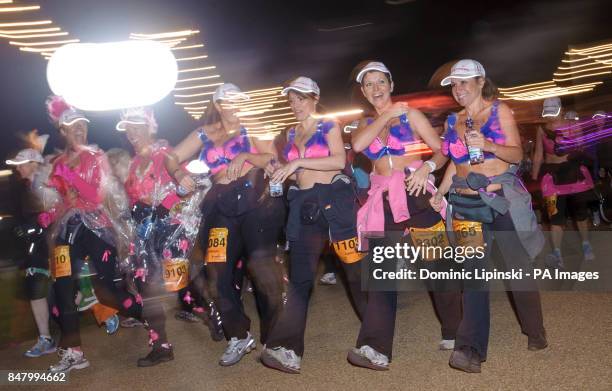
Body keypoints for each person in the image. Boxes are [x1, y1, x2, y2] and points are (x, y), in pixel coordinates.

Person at [411, 59, 547, 373]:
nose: (458, 89)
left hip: (498, 201)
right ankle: (470, 349)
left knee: (517, 268)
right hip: (465, 205)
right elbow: (451, 159)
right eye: (454, 85)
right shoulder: (452, 121)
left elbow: (516, 153)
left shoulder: (499, 112)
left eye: (464, 82)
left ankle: (535, 330)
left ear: (480, 81)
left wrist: (488, 144)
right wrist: (439, 190)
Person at [165, 83, 285, 367]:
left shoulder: (251, 124)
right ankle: (238, 334)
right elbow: (171, 157)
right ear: (218, 105)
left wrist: (244, 156)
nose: (233, 105)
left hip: (254, 198)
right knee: (216, 271)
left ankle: (274, 337)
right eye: (227, 101)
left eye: (237, 99)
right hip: (219, 204)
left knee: (262, 268)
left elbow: (271, 158)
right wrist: (178, 173)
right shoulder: (205, 133)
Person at [351, 61, 461, 368]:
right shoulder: (365, 124)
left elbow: (441, 150)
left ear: (391, 84)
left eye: (380, 82)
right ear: (363, 91)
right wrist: (385, 114)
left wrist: (426, 166)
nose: (376, 89)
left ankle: (455, 329)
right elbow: (359, 145)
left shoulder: (411, 115)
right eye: (369, 84)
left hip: (415, 196)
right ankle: (377, 349)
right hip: (381, 202)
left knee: (439, 267)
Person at [260, 77, 368, 373]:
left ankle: (374, 337)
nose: (295, 105)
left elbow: (337, 161)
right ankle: (289, 349)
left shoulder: (328, 124)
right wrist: (281, 171)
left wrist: (297, 164)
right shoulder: (290, 134)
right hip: (303, 206)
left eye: (300, 99)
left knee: (355, 272)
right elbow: (297, 175)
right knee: (300, 279)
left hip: (333, 204)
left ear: (314, 98)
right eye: (291, 100)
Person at [44, 96, 142, 372]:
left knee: (108, 289)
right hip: (68, 229)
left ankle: (144, 315)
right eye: (72, 126)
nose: (79, 130)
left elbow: (96, 196)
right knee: (62, 287)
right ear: (62, 131)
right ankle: (74, 351)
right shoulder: (58, 163)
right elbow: (62, 200)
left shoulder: (96, 157)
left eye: (82, 125)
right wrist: (49, 214)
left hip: (96, 226)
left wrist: (71, 177)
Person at [7, 148, 59, 357]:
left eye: (22, 163)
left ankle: (103, 306)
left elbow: (58, 210)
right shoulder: (27, 186)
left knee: (61, 290)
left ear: (34, 164)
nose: (18, 167)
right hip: (37, 247)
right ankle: (45, 337)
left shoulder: (45, 182)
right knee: (36, 289)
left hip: (53, 245)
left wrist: (41, 224)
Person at [531, 97, 595, 267]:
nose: (551, 117)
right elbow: (538, 154)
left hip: (572, 175)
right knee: (555, 217)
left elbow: (582, 146)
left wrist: (568, 143)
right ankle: (557, 253)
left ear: (560, 109)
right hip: (552, 178)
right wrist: (535, 178)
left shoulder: (572, 125)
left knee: (580, 215)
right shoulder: (542, 129)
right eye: (548, 113)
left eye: (554, 113)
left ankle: (586, 244)